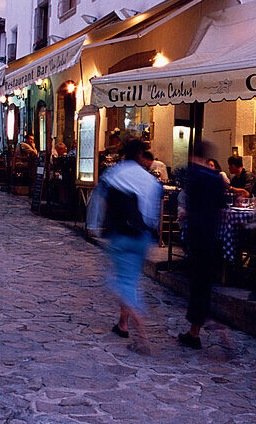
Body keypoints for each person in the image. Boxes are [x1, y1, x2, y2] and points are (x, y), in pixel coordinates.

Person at [86, 137, 161, 354]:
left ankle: (142, 333)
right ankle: (123, 324)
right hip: (142, 237)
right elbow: (152, 213)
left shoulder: (114, 173)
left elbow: (99, 201)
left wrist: (94, 225)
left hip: (120, 235)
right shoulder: (149, 181)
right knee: (131, 279)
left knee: (120, 282)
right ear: (140, 155)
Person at [177, 140, 226, 350]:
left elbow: (193, 205)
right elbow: (220, 207)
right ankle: (196, 329)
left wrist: (187, 214)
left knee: (199, 284)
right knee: (203, 283)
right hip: (212, 236)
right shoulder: (216, 179)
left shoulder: (193, 175)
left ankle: (198, 331)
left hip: (197, 236)